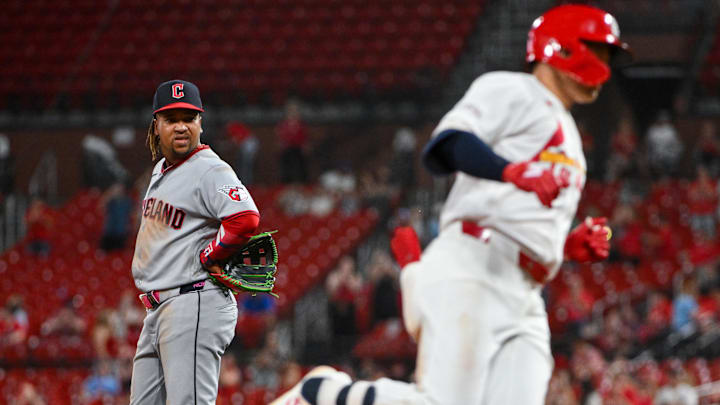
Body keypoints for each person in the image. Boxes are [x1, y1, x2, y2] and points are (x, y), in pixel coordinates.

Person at [292, 4, 628, 405]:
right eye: (601, 51)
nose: (606, 65)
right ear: (564, 48)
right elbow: (447, 146)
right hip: (475, 268)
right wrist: (511, 172)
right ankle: (321, 395)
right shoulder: (513, 89)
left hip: (525, 290)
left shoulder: (572, 135)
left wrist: (567, 244)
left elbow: (521, 215)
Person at [129, 80, 261, 404]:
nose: (181, 127)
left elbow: (245, 218)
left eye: (189, 118)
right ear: (155, 126)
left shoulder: (209, 169)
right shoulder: (162, 169)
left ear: (200, 123)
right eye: (171, 119)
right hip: (160, 308)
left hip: (192, 301)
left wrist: (212, 253)